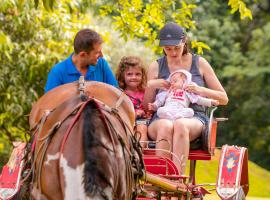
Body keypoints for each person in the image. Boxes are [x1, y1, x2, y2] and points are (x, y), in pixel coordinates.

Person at [143, 22, 228, 175]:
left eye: (177, 47)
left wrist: (200, 89)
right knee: (166, 126)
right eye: (168, 49)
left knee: (181, 125)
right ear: (162, 47)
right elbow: (146, 107)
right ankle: (161, 179)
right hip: (163, 115)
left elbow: (224, 98)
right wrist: (152, 84)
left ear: (184, 41)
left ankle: (177, 181)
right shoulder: (156, 66)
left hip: (193, 117)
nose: (173, 53)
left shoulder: (199, 63)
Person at [44, 28, 118, 93]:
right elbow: (49, 105)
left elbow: (115, 94)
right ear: (83, 55)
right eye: (97, 52)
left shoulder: (101, 64)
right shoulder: (58, 72)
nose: (101, 55)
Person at [148, 69, 219, 120]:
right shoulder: (168, 92)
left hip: (180, 110)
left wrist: (211, 102)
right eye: (171, 82)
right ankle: (171, 117)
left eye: (175, 81)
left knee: (190, 111)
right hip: (168, 109)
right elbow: (160, 101)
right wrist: (154, 105)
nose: (172, 83)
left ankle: (178, 116)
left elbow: (198, 100)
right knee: (160, 110)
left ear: (184, 81)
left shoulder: (187, 92)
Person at [116, 56, 148, 147]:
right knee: (128, 130)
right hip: (126, 121)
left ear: (142, 75)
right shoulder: (120, 93)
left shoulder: (145, 92)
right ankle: (128, 155)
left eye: (137, 74)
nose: (134, 77)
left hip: (142, 121)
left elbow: (149, 109)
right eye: (129, 74)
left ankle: (139, 154)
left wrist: (147, 110)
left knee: (141, 128)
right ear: (123, 75)